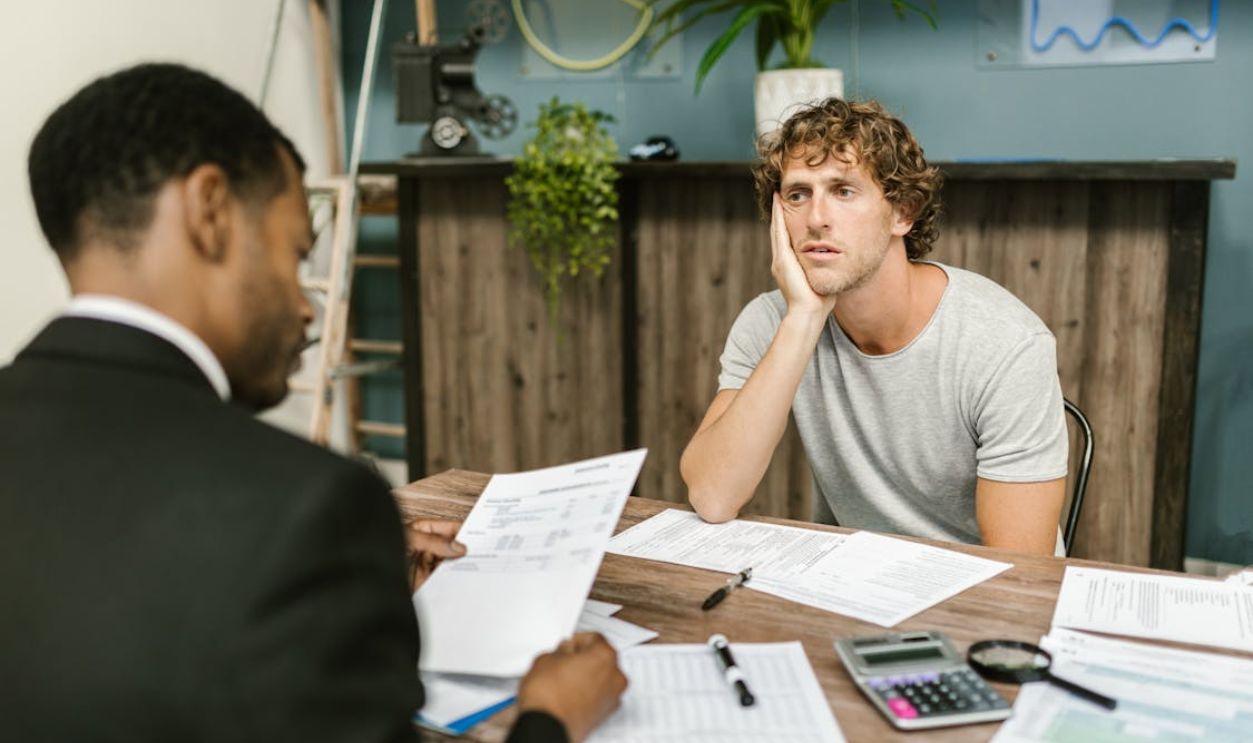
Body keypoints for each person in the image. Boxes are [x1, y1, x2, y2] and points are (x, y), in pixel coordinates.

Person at [0, 62, 624, 743]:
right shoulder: (306, 510)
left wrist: (332, 606)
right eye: (295, 255)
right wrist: (550, 718)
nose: (305, 307)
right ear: (209, 212)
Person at [680, 98, 1068, 555]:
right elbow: (712, 496)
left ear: (902, 213)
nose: (816, 218)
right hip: (852, 581)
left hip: (972, 598)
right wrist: (803, 318)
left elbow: (1018, 571)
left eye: (843, 191)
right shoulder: (772, 322)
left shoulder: (1005, 344)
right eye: (797, 194)